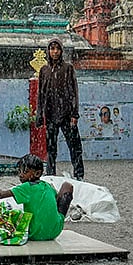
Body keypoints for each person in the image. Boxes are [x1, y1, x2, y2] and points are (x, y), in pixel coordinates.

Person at [0, 154, 73, 241]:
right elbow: (56, 200)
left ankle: (42, 224)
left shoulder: (26, 187)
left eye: (25, 172)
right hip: (55, 231)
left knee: (7, 214)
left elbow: (0, 194)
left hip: (35, 234)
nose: (21, 175)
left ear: (37, 173)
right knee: (67, 185)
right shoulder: (48, 186)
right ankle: (50, 222)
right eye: (19, 171)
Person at [37, 38, 85, 180]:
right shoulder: (44, 70)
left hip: (67, 114)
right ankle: (51, 175)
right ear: (48, 51)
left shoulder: (68, 68)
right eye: (52, 49)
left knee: (75, 147)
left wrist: (74, 114)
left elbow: (73, 91)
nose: (55, 52)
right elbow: (41, 94)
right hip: (51, 114)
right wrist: (40, 115)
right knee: (51, 149)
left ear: (61, 51)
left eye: (57, 49)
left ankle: (79, 176)